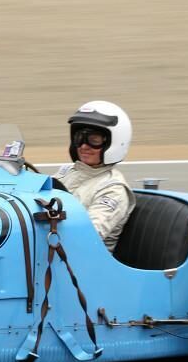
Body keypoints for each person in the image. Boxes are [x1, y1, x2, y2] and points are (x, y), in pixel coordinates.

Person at [53, 100, 136, 251]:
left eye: (94, 140)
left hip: (82, 260)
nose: (84, 146)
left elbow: (86, 236)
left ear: (112, 143)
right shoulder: (67, 173)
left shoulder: (112, 189)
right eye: (79, 138)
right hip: (52, 251)